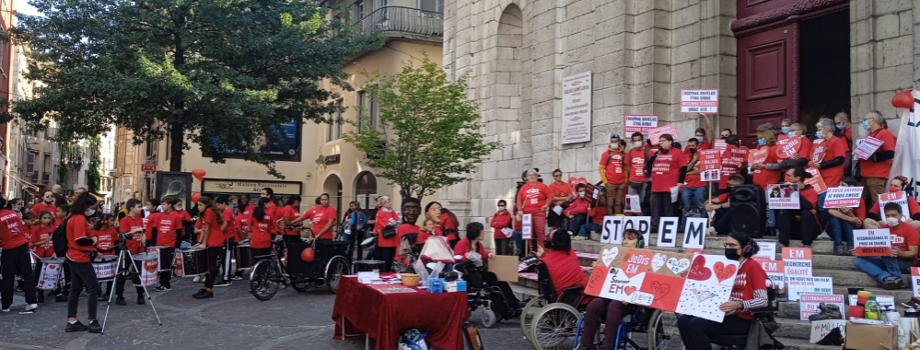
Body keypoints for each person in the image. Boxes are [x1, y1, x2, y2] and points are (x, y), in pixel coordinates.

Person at [678, 232, 768, 350]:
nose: (728, 248)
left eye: (732, 245)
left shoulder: (753, 268)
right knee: (683, 320)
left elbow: (762, 301)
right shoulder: (730, 266)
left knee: (696, 325)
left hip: (744, 319)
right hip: (724, 314)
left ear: (745, 249)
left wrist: (739, 304)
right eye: (726, 245)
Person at [578, 228, 644, 350]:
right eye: (624, 238)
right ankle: (586, 344)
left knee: (614, 305)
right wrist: (599, 269)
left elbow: (644, 284)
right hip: (611, 295)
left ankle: (608, 346)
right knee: (594, 304)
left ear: (639, 243)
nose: (626, 241)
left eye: (630, 239)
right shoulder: (617, 257)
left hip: (630, 301)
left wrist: (630, 297)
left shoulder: (644, 261)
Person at [455, 221, 521, 318]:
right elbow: (458, 260)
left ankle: (514, 303)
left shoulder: (478, 245)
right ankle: (505, 311)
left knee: (500, 279)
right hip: (468, 275)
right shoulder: (462, 243)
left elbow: (483, 254)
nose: (484, 233)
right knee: (493, 281)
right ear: (476, 233)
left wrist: (488, 254)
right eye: (482, 231)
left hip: (477, 272)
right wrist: (469, 258)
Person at [854, 202, 919, 290]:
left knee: (888, 248)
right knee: (858, 261)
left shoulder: (910, 230)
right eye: (887, 215)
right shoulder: (882, 230)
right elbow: (874, 249)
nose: (890, 218)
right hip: (885, 259)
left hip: (906, 263)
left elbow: (913, 253)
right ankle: (886, 277)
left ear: (900, 215)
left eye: (894, 215)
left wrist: (898, 253)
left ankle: (897, 277)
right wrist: (859, 251)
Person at [64, 193, 102, 332]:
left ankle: (72, 320)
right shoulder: (79, 218)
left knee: (75, 289)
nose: (93, 209)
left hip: (73, 254)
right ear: (86, 206)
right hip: (79, 256)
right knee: (93, 288)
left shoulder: (72, 217)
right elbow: (80, 239)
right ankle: (93, 320)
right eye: (92, 207)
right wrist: (93, 241)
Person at [0, 196, 39, 313]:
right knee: (27, 274)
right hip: (22, 244)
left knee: (8, 276)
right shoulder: (12, 213)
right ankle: (31, 301)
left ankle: (6, 305)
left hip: (9, 248)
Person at [645, 134, 687, 233]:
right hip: (656, 186)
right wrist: (653, 156)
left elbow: (683, 168)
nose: (661, 143)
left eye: (663, 141)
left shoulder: (677, 152)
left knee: (669, 207)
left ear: (670, 142)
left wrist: (680, 182)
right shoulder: (657, 153)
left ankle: (669, 226)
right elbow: (648, 165)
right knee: (654, 206)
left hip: (670, 186)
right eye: (660, 141)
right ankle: (655, 225)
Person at [859, 111, 897, 208]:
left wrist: (872, 156)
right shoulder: (870, 134)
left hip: (876, 175)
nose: (864, 122)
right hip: (865, 173)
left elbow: (890, 153)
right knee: (862, 202)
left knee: (877, 204)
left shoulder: (885, 133)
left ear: (873, 120)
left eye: (865, 119)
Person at [538, 228, 588, 301]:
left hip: (563, 296)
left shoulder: (544, 262)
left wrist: (543, 255)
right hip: (580, 296)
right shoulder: (571, 253)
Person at [192, 196, 226, 299]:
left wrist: (204, 243)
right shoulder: (206, 212)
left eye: (200, 205)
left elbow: (208, 228)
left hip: (214, 241)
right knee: (208, 266)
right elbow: (203, 229)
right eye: (198, 205)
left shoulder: (209, 211)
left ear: (206, 205)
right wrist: (200, 242)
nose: (198, 207)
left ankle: (209, 289)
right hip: (211, 241)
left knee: (211, 266)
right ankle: (206, 287)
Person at [777, 167, 820, 247]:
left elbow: (809, 206)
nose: (787, 178)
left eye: (789, 176)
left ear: (797, 178)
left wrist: (795, 191)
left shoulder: (811, 191)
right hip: (793, 226)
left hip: (808, 229)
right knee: (783, 212)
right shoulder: (786, 190)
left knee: (806, 213)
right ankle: (782, 243)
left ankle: (807, 244)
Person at [147, 197, 183, 291]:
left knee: (167, 265)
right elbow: (154, 230)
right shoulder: (159, 216)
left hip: (169, 244)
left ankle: (166, 284)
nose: (162, 206)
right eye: (162, 204)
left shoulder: (176, 216)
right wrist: (153, 243)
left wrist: (177, 246)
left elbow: (179, 232)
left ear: (170, 205)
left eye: (164, 204)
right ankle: (162, 283)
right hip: (159, 244)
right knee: (160, 265)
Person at [114, 199, 146, 305]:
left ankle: (140, 295)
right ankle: (119, 295)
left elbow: (143, 230)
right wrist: (135, 231)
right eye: (138, 206)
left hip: (139, 249)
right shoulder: (125, 220)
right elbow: (123, 234)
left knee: (139, 273)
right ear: (131, 208)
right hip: (128, 250)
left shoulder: (139, 218)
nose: (140, 209)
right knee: (122, 273)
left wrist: (143, 237)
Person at [826, 177, 866, 255]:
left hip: (851, 230)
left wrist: (849, 214)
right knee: (835, 217)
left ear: (851, 187)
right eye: (839, 184)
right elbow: (830, 211)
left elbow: (859, 223)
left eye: (843, 185)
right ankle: (838, 246)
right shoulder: (834, 197)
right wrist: (850, 218)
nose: (839, 187)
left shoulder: (860, 201)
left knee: (844, 219)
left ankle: (851, 246)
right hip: (834, 230)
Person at [517, 168, 552, 253]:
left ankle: (542, 250)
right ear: (527, 177)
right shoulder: (524, 187)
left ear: (537, 176)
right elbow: (519, 199)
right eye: (530, 175)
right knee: (529, 233)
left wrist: (546, 205)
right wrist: (520, 209)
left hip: (539, 212)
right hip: (527, 213)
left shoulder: (542, 186)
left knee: (540, 230)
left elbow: (550, 195)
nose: (532, 177)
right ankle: (532, 250)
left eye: (533, 175)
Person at [809, 119, 848, 189]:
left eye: (819, 130)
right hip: (821, 175)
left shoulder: (837, 141)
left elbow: (840, 159)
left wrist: (821, 165)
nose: (817, 132)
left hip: (833, 175)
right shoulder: (821, 142)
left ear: (826, 129)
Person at [91, 214, 119, 301]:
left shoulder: (113, 230)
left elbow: (116, 243)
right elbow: (91, 244)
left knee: (111, 276)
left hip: (111, 256)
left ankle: (108, 293)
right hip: (99, 256)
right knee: (99, 276)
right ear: (104, 221)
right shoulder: (95, 231)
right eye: (111, 220)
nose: (113, 222)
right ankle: (98, 292)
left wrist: (117, 255)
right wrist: (96, 251)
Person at [599, 134, 628, 215]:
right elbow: (601, 168)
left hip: (621, 183)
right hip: (610, 183)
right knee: (610, 203)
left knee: (618, 203)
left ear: (619, 142)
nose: (613, 143)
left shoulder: (623, 154)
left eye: (615, 141)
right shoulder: (606, 154)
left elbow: (625, 168)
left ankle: (617, 219)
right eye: (612, 142)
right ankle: (610, 218)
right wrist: (605, 181)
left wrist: (625, 180)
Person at [626, 132, 653, 215]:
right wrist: (632, 175)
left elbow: (652, 165)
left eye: (639, 140)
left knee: (642, 203)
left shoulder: (649, 152)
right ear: (632, 142)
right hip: (633, 182)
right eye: (635, 140)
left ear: (642, 140)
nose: (637, 142)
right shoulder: (630, 153)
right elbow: (627, 166)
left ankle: (642, 220)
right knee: (630, 205)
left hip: (645, 182)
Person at [373, 196, 400, 272]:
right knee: (385, 258)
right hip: (385, 238)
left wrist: (392, 221)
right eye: (388, 201)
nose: (390, 202)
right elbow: (386, 224)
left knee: (391, 257)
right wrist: (392, 221)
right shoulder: (380, 212)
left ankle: (388, 272)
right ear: (383, 204)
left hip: (393, 237)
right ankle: (383, 273)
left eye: (389, 201)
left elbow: (398, 221)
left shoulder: (392, 211)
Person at [683, 137, 706, 219]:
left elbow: (701, 171)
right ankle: (685, 226)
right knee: (687, 207)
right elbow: (684, 170)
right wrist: (694, 160)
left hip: (700, 184)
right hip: (686, 185)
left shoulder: (703, 155)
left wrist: (688, 173)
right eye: (689, 146)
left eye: (693, 146)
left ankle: (704, 224)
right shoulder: (684, 156)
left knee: (701, 206)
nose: (691, 148)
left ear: (697, 146)